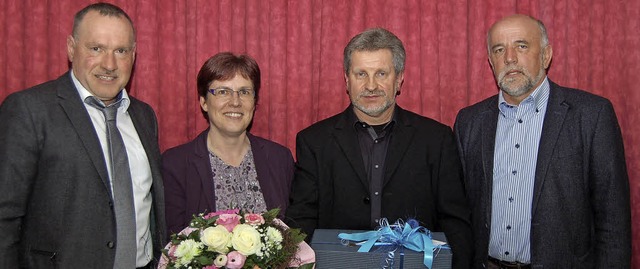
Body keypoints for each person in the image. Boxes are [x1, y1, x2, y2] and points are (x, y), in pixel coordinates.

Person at [285, 27, 473, 268]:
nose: (371, 85)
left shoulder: (436, 139)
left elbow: (456, 223)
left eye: (381, 73)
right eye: (361, 74)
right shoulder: (314, 141)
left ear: (399, 78)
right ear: (346, 79)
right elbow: (302, 222)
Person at [454, 14, 631, 268]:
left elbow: (613, 222)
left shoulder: (591, 115)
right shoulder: (469, 122)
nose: (510, 58)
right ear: (491, 62)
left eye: (522, 46)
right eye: (499, 49)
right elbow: (459, 213)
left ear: (546, 55)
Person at [0, 3, 165, 269]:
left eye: (120, 51)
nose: (109, 64)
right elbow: (4, 217)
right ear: (71, 48)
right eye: (96, 48)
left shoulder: (144, 116)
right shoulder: (30, 110)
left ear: (133, 56)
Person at [162, 52, 295, 235]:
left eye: (244, 92)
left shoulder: (280, 159)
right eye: (223, 91)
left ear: (254, 101)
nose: (235, 102)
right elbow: (173, 242)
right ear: (204, 102)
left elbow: (292, 233)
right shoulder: (175, 164)